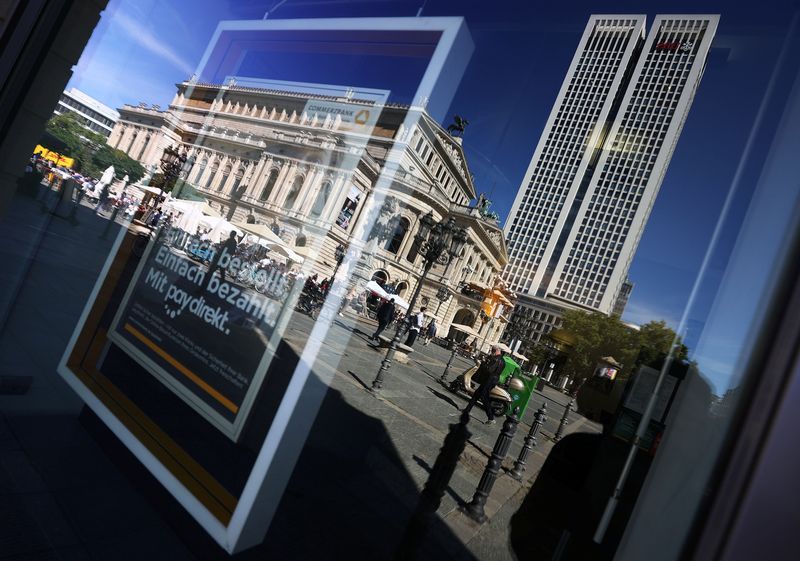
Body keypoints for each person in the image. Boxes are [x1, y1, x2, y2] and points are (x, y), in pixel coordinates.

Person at [463, 345, 506, 425]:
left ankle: (491, 418)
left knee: (484, 397)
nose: (492, 352)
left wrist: (483, 363)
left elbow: (489, 370)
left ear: (496, 351)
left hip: (489, 380)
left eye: (493, 350)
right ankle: (467, 410)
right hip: (494, 380)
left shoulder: (495, 359)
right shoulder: (503, 361)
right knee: (476, 395)